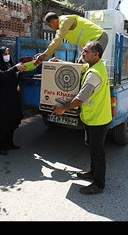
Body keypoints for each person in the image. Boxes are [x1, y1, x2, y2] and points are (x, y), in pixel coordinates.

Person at [52, 41, 112, 195]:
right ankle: (93, 172)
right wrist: (59, 62)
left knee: (98, 152)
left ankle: (99, 184)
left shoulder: (94, 74)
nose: (82, 54)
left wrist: (62, 109)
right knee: (93, 148)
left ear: (96, 54)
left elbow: (80, 99)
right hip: (94, 117)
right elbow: (78, 67)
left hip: (97, 119)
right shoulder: (96, 65)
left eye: (85, 51)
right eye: (82, 51)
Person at [34, 12, 108, 65]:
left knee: (89, 63)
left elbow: (56, 41)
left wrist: (44, 55)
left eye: (50, 25)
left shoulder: (65, 20)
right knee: (80, 64)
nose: (51, 28)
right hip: (89, 44)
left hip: (99, 37)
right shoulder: (60, 28)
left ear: (53, 21)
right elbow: (55, 42)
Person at [0, 46, 26, 156]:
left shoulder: (10, 64)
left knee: (12, 120)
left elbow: (15, 78)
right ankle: (0, 146)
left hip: (13, 97)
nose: (7, 56)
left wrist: (21, 72)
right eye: (5, 54)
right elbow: (1, 76)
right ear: (0, 55)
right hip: (3, 99)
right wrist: (15, 69)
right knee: (3, 122)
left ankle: (10, 143)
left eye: (8, 53)